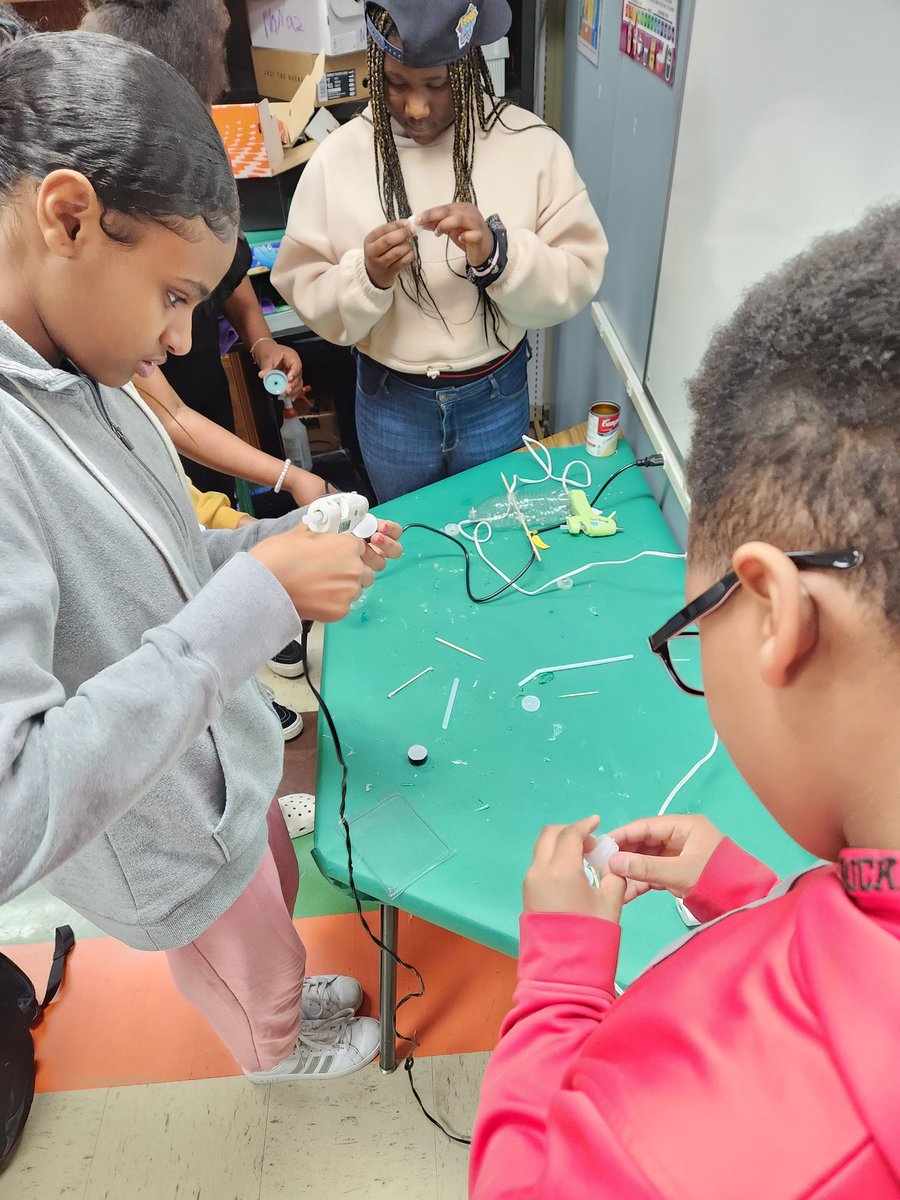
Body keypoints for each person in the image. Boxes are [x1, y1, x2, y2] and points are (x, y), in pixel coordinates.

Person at [469, 204, 900, 1197]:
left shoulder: (661, 1151)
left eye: (691, 628)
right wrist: (753, 902)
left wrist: (559, 984)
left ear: (774, 612)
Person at [0, 31, 404, 1083]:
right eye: (174, 295)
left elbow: (171, 560)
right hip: (158, 835)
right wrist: (256, 605)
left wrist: (286, 548)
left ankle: (275, 987)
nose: (183, 339)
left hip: (216, 775)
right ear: (69, 217)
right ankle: (275, 1050)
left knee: (267, 889)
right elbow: (13, 815)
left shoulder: (80, 356)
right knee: (246, 961)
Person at [272, 0, 608, 503]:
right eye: (396, 83)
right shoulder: (338, 159)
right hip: (391, 401)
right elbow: (305, 286)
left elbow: (579, 273)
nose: (417, 108)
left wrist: (500, 256)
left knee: (502, 532)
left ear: (469, 66)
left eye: (436, 85)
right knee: (407, 538)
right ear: (374, 68)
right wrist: (366, 277)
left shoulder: (530, 145)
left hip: (496, 393)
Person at [81, 0, 310, 499]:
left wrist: (262, 342)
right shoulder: (102, 320)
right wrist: (289, 479)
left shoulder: (188, 163)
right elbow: (172, 414)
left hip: (200, 398)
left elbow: (225, 274)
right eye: (173, 297)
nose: (179, 336)